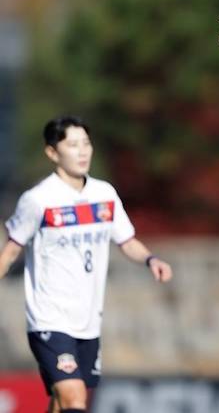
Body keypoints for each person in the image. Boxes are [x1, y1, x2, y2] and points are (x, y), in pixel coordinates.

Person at [0, 116, 173, 413]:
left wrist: (150, 259)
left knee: (61, 399)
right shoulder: (38, 200)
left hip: (89, 320)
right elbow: (11, 251)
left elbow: (127, 241)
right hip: (50, 318)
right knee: (74, 398)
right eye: (73, 145)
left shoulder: (104, 194)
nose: (82, 152)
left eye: (86, 144)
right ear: (53, 153)